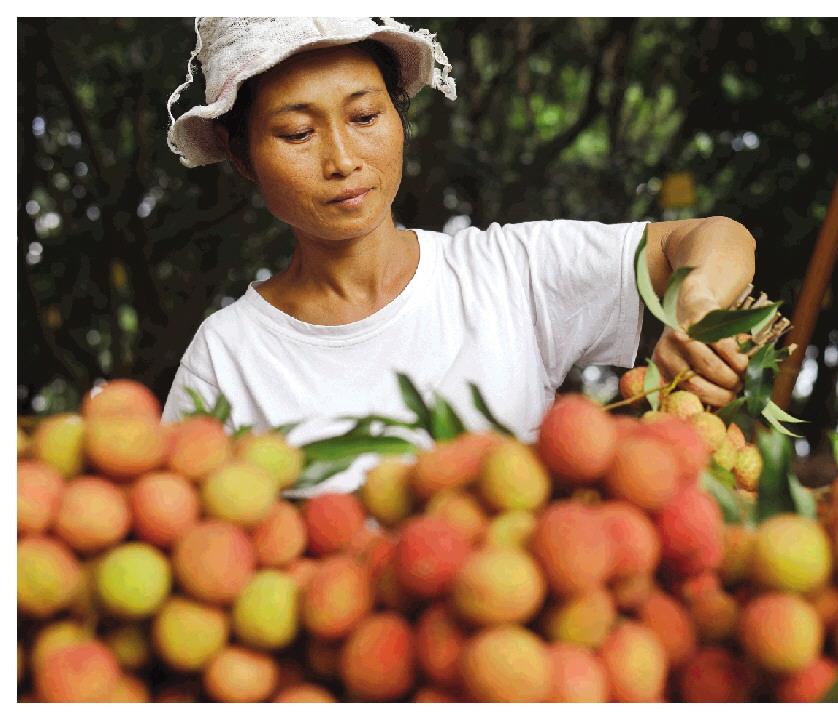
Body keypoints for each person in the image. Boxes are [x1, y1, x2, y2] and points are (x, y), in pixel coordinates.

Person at [161, 17, 756, 495]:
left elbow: (712, 237)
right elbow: (184, 534)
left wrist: (697, 301)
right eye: (297, 133)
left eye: (366, 116)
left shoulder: (509, 273)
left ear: (399, 117)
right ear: (243, 159)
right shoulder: (228, 354)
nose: (342, 159)